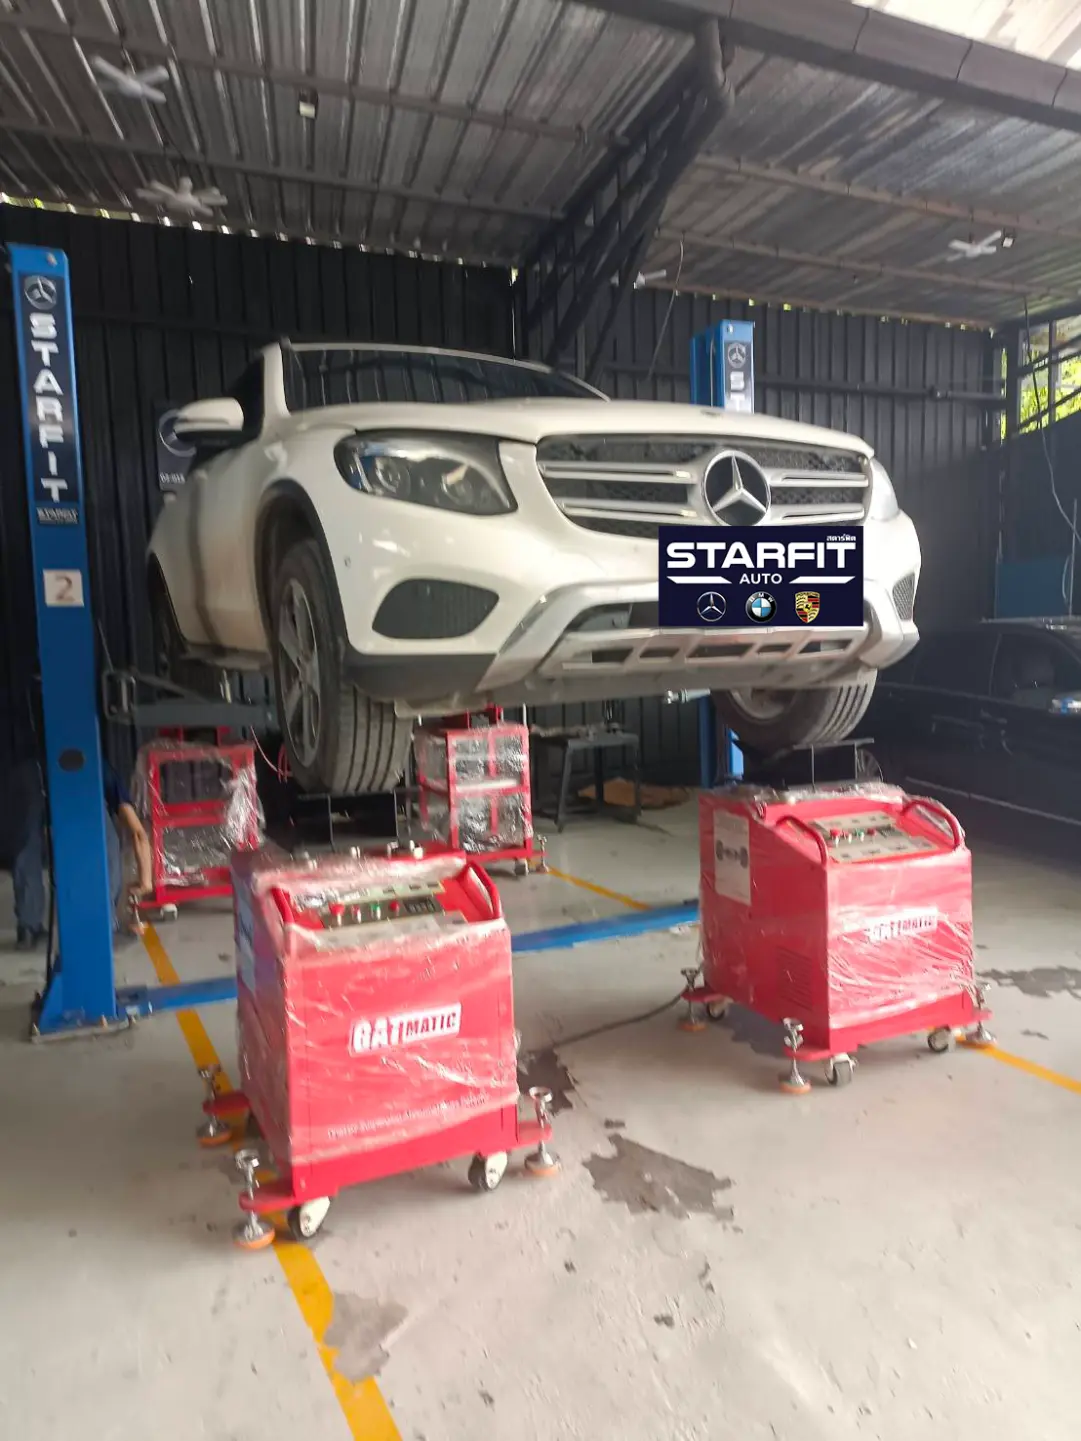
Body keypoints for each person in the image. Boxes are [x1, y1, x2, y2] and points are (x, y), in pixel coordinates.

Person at [11, 749, 153, 947]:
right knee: (108, 841)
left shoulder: (93, 764)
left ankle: (28, 929)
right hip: (76, 779)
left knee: (27, 845)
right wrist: (146, 880)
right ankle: (106, 928)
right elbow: (137, 833)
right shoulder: (104, 773)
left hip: (30, 773)